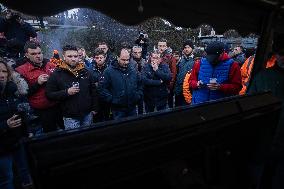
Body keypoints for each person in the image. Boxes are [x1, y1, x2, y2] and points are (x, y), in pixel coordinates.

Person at [249, 33, 284, 189]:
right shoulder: (263, 77)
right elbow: (249, 105)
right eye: (282, 53)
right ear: (276, 54)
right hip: (264, 139)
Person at [46, 45, 99, 130]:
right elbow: (49, 94)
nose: (73, 59)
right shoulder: (57, 74)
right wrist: (66, 92)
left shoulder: (86, 72)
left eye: (75, 56)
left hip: (87, 114)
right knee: (74, 140)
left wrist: (95, 108)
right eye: (70, 56)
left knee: (88, 138)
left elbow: (93, 90)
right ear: (64, 56)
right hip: (70, 117)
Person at [15, 41, 63, 133]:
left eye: (39, 53)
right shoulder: (21, 70)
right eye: (33, 54)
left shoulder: (51, 64)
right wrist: (37, 83)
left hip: (58, 107)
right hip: (41, 112)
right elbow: (22, 95)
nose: (38, 56)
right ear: (27, 55)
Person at [0, 58, 33, 189]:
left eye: (4, 71)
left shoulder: (12, 91)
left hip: (17, 142)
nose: (1, 74)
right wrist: (4, 125)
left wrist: (27, 130)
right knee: (7, 179)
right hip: (1, 148)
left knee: (25, 173)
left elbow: (21, 114)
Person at [98, 48, 143, 120]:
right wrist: (113, 100)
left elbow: (140, 84)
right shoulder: (108, 71)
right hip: (117, 111)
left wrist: (137, 96)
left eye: (128, 60)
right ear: (117, 57)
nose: (126, 62)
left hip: (132, 108)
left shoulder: (133, 70)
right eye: (123, 60)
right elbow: (102, 89)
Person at [89, 48, 110, 122]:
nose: (99, 59)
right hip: (96, 100)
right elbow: (90, 86)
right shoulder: (90, 70)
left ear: (105, 57)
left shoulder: (109, 69)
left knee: (109, 120)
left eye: (101, 57)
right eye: (97, 58)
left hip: (108, 100)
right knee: (97, 122)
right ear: (94, 58)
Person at [157, 38, 177, 108]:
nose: (161, 48)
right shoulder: (154, 55)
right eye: (160, 46)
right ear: (157, 46)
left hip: (167, 86)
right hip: (156, 85)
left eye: (163, 46)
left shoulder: (171, 58)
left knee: (169, 106)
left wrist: (169, 87)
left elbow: (173, 74)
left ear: (166, 46)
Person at [174, 40, 194, 107]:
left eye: (188, 47)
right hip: (179, 91)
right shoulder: (181, 60)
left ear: (192, 48)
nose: (186, 49)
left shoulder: (195, 60)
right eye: (185, 47)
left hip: (188, 91)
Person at [129, 46, 146, 115]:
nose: (137, 54)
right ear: (132, 53)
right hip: (132, 87)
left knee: (141, 107)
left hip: (143, 87)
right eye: (135, 52)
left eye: (139, 52)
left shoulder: (144, 62)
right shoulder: (129, 62)